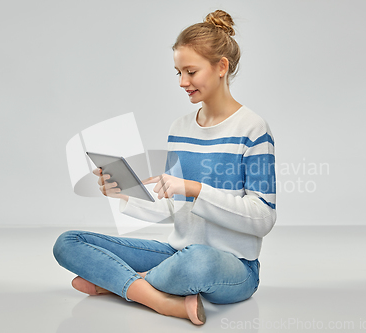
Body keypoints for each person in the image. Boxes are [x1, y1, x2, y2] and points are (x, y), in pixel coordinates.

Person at [53, 9, 277, 326]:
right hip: (176, 253)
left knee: (197, 261)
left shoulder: (253, 129)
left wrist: (195, 189)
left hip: (231, 266)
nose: (183, 82)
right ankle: (159, 299)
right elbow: (174, 207)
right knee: (69, 243)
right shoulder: (180, 128)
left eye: (191, 71)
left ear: (221, 67)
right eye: (178, 73)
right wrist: (125, 193)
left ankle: (120, 284)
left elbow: (263, 217)